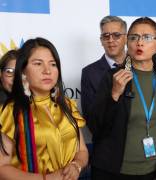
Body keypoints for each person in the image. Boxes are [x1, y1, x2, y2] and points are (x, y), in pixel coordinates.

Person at [88, 17, 156, 180]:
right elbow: (96, 126)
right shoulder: (113, 77)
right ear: (128, 43)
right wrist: (114, 94)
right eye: (134, 37)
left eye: (147, 37)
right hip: (113, 171)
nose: (139, 43)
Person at [0, 37, 89, 180]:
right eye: (38, 64)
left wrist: (76, 165)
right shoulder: (10, 111)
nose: (47, 70)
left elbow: (82, 150)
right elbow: (2, 168)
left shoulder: (67, 105)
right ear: (23, 71)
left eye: (53, 64)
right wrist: (47, 178)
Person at [81, 15, 127, 120]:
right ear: (101, 40)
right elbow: (90, 118)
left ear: (126, 38)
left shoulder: (138, 66)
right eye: (106, 36)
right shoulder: (89, 73)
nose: (110, 40)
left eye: (116, 35)